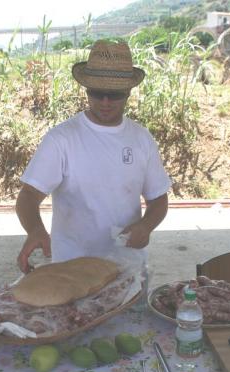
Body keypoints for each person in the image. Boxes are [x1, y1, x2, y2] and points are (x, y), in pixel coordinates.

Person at [15, 40, 171, 273]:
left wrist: (146, 226)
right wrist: (35, 230)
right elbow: (28, 196)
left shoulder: (141, 139)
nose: (105, 102)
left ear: (128, 92)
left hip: (127, 270)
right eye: (97, 93)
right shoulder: (61, 139)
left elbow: (158, 199)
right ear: (86, 89)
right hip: (71, 271)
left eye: (114, 94)